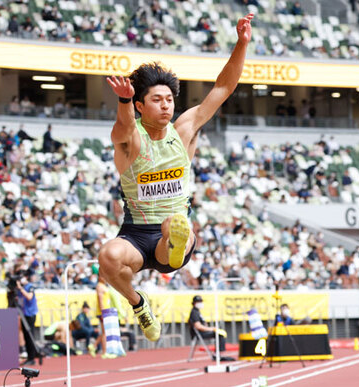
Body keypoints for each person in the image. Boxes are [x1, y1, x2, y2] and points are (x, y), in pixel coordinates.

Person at [98, 13, 255, 342]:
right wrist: (123, 100)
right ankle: (139, 305)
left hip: (172, 235)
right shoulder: (131, 140)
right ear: (140, 105)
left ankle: (175, 245)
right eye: (156, 100)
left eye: (169, 99)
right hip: (136, 236)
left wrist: (241, 44)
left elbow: (223, 87)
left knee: (175, 225)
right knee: (107, 257)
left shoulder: (183, 130)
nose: (166, 105)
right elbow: (124, 126)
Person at [15, 271, 40, 365]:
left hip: (30, 314)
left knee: (30, 336)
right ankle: (29, 356)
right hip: (24, 314)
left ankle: (32, 358)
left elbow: (29, 297)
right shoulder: (21, 288)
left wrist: (20, 288)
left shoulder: (30, 286)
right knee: (26, 336)